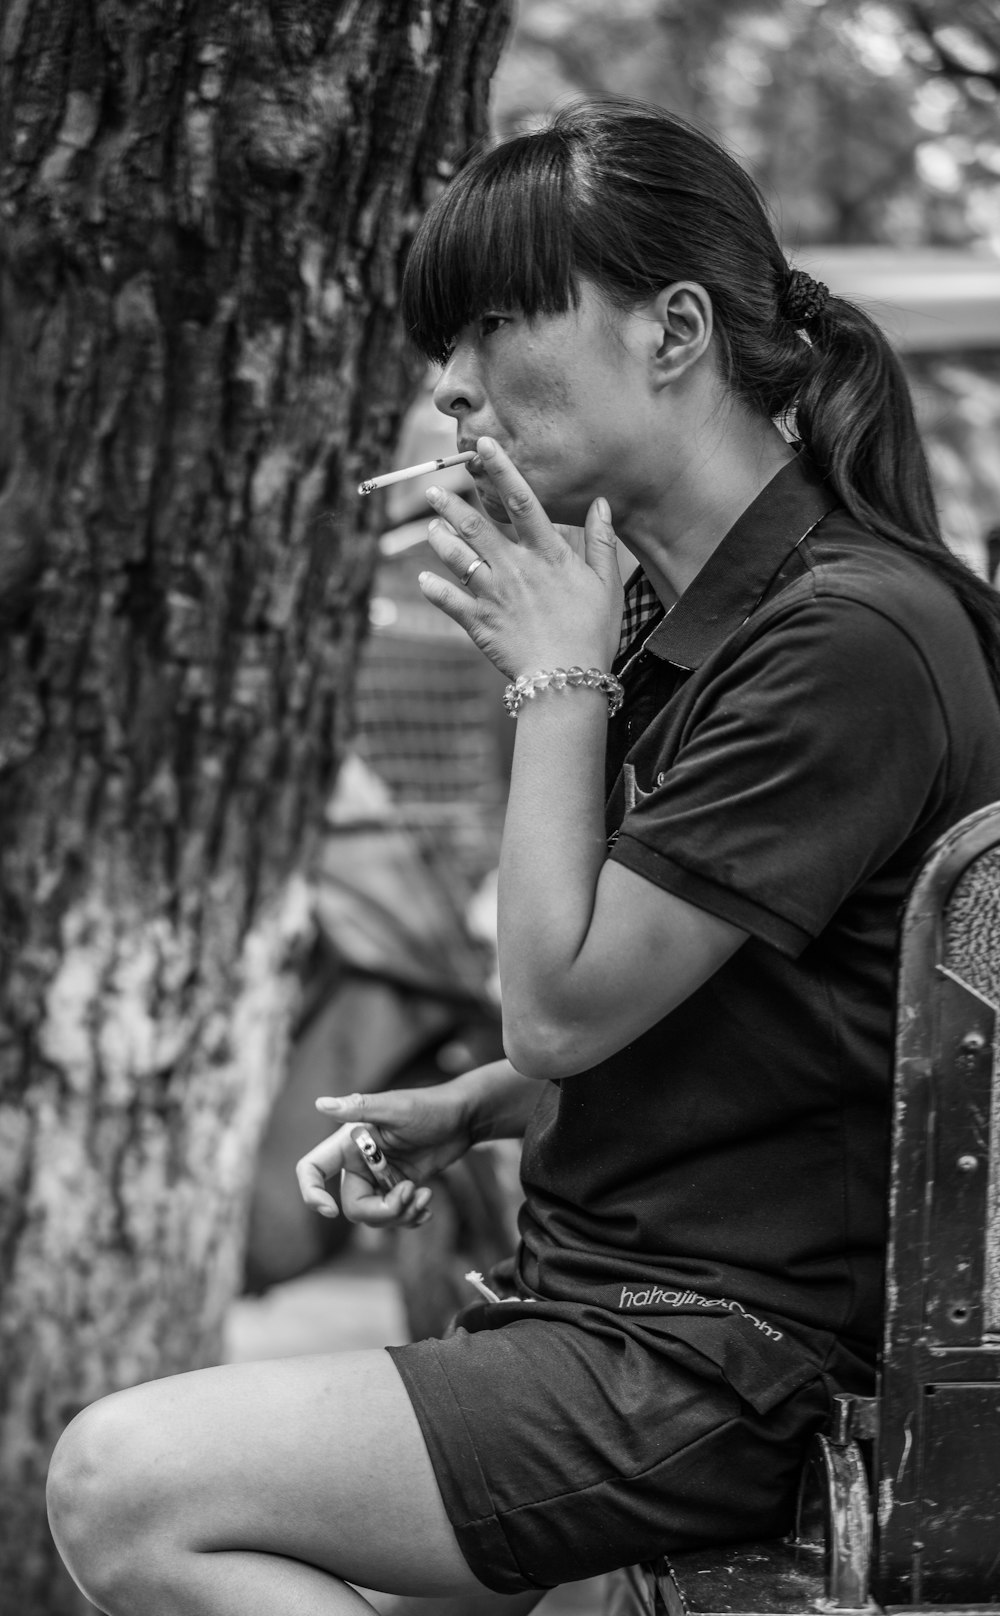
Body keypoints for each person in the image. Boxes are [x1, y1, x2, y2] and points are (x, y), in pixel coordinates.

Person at [46, 97, 1000, 1616]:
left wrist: (555, 683)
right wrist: (483, 1104)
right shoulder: (688, 617)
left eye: (494, 322)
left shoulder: (849, 638)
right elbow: (756, 1015)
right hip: (623, 1314)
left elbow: (559, 1003)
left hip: (730, 1359)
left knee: (129, 1486)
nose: (451, 387)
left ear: (674, 329)